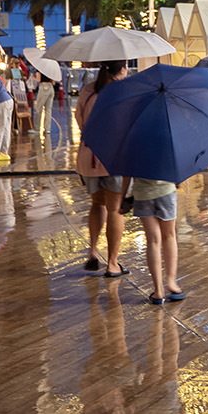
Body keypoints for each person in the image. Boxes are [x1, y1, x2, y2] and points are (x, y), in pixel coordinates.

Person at [78, 60, 128, 277]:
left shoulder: (88, 90)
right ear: (122, 69)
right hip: (114, 158)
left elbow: (80, 120)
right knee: (115, 209)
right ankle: (112, 263)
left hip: (88, 157)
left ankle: (92, 252)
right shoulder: (124, 92)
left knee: (97, 203)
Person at [130, 176, 183, 303]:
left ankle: (158, 290)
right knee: (169, 236)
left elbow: (127, 174)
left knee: (153, 241)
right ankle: (172, 282)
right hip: (166, 190)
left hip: (142, 194)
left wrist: (123, 196)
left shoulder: (134, 160)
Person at [32, 64, 56, 146]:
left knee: (39, 108)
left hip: (43, 87)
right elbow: (54, 82)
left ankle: (37, 128)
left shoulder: (40, 67)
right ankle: (47, 129)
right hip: (51, 88)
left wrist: (33, 77)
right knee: (48, 110)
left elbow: (38, 80)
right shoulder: (51, 68)